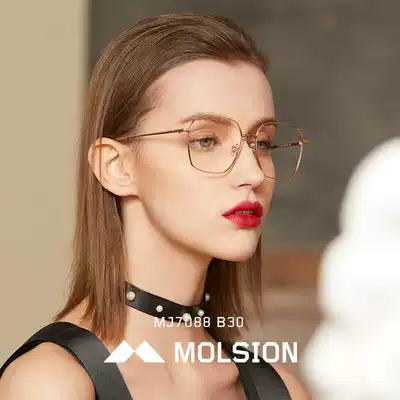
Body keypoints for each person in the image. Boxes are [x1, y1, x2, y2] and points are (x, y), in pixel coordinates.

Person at [0, 12, 310, 399]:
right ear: (115, 167)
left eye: (262, 143)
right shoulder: (52, 384)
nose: (253, 173)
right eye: (205, 140)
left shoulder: (281, 390)